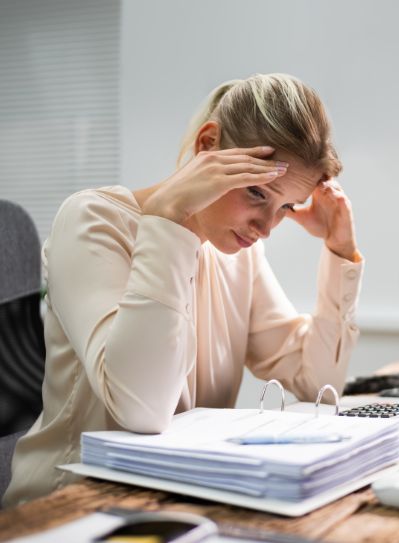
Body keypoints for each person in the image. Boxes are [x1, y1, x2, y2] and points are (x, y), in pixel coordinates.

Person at [3, 73, 363, 507]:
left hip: (184, 501)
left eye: (284, 207)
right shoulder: (92, 221)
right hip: (70, 507)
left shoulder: (238, 254)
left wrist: (340, 252)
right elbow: (142, 410)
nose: (266, 227)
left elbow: (315, 382)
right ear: (207, 145)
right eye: (256, 192)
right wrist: (170, 222)